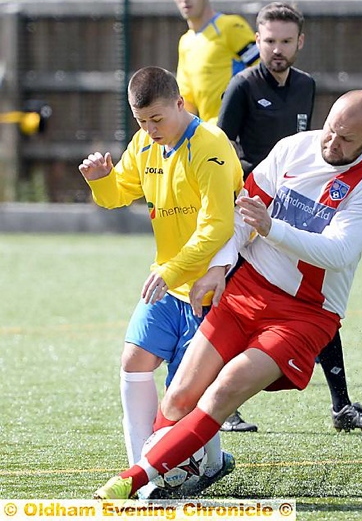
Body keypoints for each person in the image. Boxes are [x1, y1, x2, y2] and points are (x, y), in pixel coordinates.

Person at [94, 89, 362, 500]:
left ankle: (134, 480)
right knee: (181, 394)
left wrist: (273, 227)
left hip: (306, 313)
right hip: (247, 289)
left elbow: (339, 253)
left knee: (220, 393)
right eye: (330, 130)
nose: (332, 143)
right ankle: (184, 473)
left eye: (346, 139)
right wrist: (219, 268)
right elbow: (242, 215)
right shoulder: (293, 149)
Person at [218, 1, 362, 434]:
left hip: (296, 209)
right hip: (252, 208)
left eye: (285, 41)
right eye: (269, 40)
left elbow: (318, 151)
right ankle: (226, 404)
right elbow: (220, 150)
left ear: (300, 43)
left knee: (317, 298)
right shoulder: (240, 86)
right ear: (257, 41)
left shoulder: (307, 86)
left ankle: (340, 405)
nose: (277, 49)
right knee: (229, 299)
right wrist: (248, 198)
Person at [79, 66, 243, 487]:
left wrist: (173, 271)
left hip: (210, 283)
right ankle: (143, 471)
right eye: (141, 122)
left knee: (184, 392)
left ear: (179, 104)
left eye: (157, 119)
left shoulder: (210, 145)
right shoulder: (145, 145)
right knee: (133, 359)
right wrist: (101, 182)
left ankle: (210, 462)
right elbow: (119, 194)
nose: (150, 130)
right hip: (168, 282)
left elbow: (218, 227)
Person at [171, 0, 259, 433]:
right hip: (198, 166)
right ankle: (214, 392)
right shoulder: (186, 41)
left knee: (233, 269)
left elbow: (261, 79)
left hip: (234, 160)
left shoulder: (231, 27)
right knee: (211, 269)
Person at [171, 0, 259, 124]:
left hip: (241, 133)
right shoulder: (185, 42)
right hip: (212, 134)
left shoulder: (230, 26)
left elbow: (264, 71)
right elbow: (187, 100)